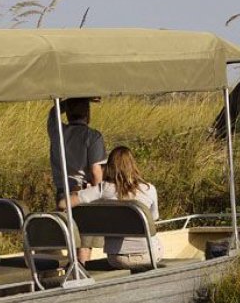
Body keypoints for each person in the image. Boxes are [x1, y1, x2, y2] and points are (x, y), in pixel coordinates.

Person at [72, 146, 163, 270]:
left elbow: (66, 202)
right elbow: (153, 218)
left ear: (109, 167)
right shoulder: (149, 189)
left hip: (116, 259)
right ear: (133, 165)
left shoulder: (103, 189)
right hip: (149, 256)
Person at [47, 97, 106, 262]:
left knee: (71, 238)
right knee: (85, 242)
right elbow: (96, 172)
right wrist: (99, 192)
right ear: (88, 114)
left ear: (69, 114)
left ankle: (74, 270)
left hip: (62, 193)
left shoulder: (57, 132)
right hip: (82, 193)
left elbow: (53, 112)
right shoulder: (93, 136)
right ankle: (81, 273)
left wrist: (70, 102)